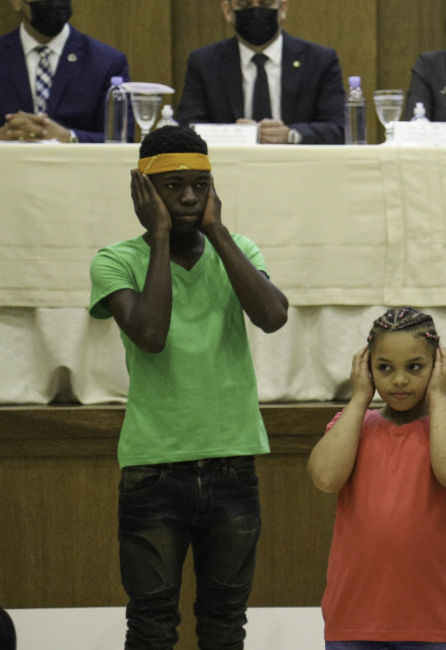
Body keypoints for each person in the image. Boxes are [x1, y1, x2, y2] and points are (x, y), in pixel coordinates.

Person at [88, 124, 290, 648]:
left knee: (225, 622)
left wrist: (218, 234)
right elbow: (151, 334)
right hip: (154, 468)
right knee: (152, 625)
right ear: (144, 190)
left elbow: (272, 317)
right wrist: (158, 236)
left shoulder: (238, 250)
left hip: (232, 463)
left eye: (200, 185)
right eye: (173, 186)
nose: (188, 198)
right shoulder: (115, 260)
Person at [309, 307, 446, 650]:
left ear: (438, 365)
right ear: (367, 368)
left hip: (436, 623)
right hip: (353, 620)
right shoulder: (351, 426)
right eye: (385, 368)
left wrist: (439, 397)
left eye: (415, 367)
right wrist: (359, 397)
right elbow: (325, 478)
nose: (400, 380)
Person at [176, 0, 346, 143]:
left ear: (282, 8)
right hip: (231, 161)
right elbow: (187, 127)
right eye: (245, 4)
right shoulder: (204, 62)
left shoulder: (319, 61)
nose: (256, 11)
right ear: (228, 11)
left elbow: (339, 128)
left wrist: (291, 135)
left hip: (297, 160)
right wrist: (231, 134)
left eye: (266, 3)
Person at [0, 0, 129, 142]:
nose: (52, 0)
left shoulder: (106, 62)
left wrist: (69, 138)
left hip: (76, 162)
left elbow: (121, 139)